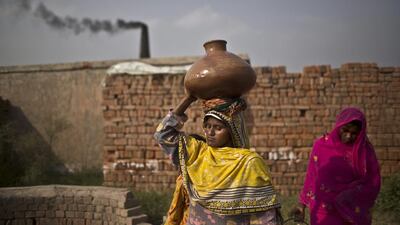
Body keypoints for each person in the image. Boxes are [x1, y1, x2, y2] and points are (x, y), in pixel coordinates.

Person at [155, 95, 282, 225]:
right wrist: (188, 99)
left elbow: (265, 218)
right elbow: (163, 134)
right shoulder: (197, 153)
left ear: (232, 130)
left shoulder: (249, 162)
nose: (210, 132)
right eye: (207, 126)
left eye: (218, 128)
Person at [291, 107, 381, 225]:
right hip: (323, 212)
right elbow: (312, 176)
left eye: (354, 133)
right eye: (345, 130)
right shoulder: (321, 146)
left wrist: (348, 196)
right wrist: (301, 205)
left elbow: (373, 182)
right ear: (339, 126)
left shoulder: (364, 152)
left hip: (352, 212)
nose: (348, 136)